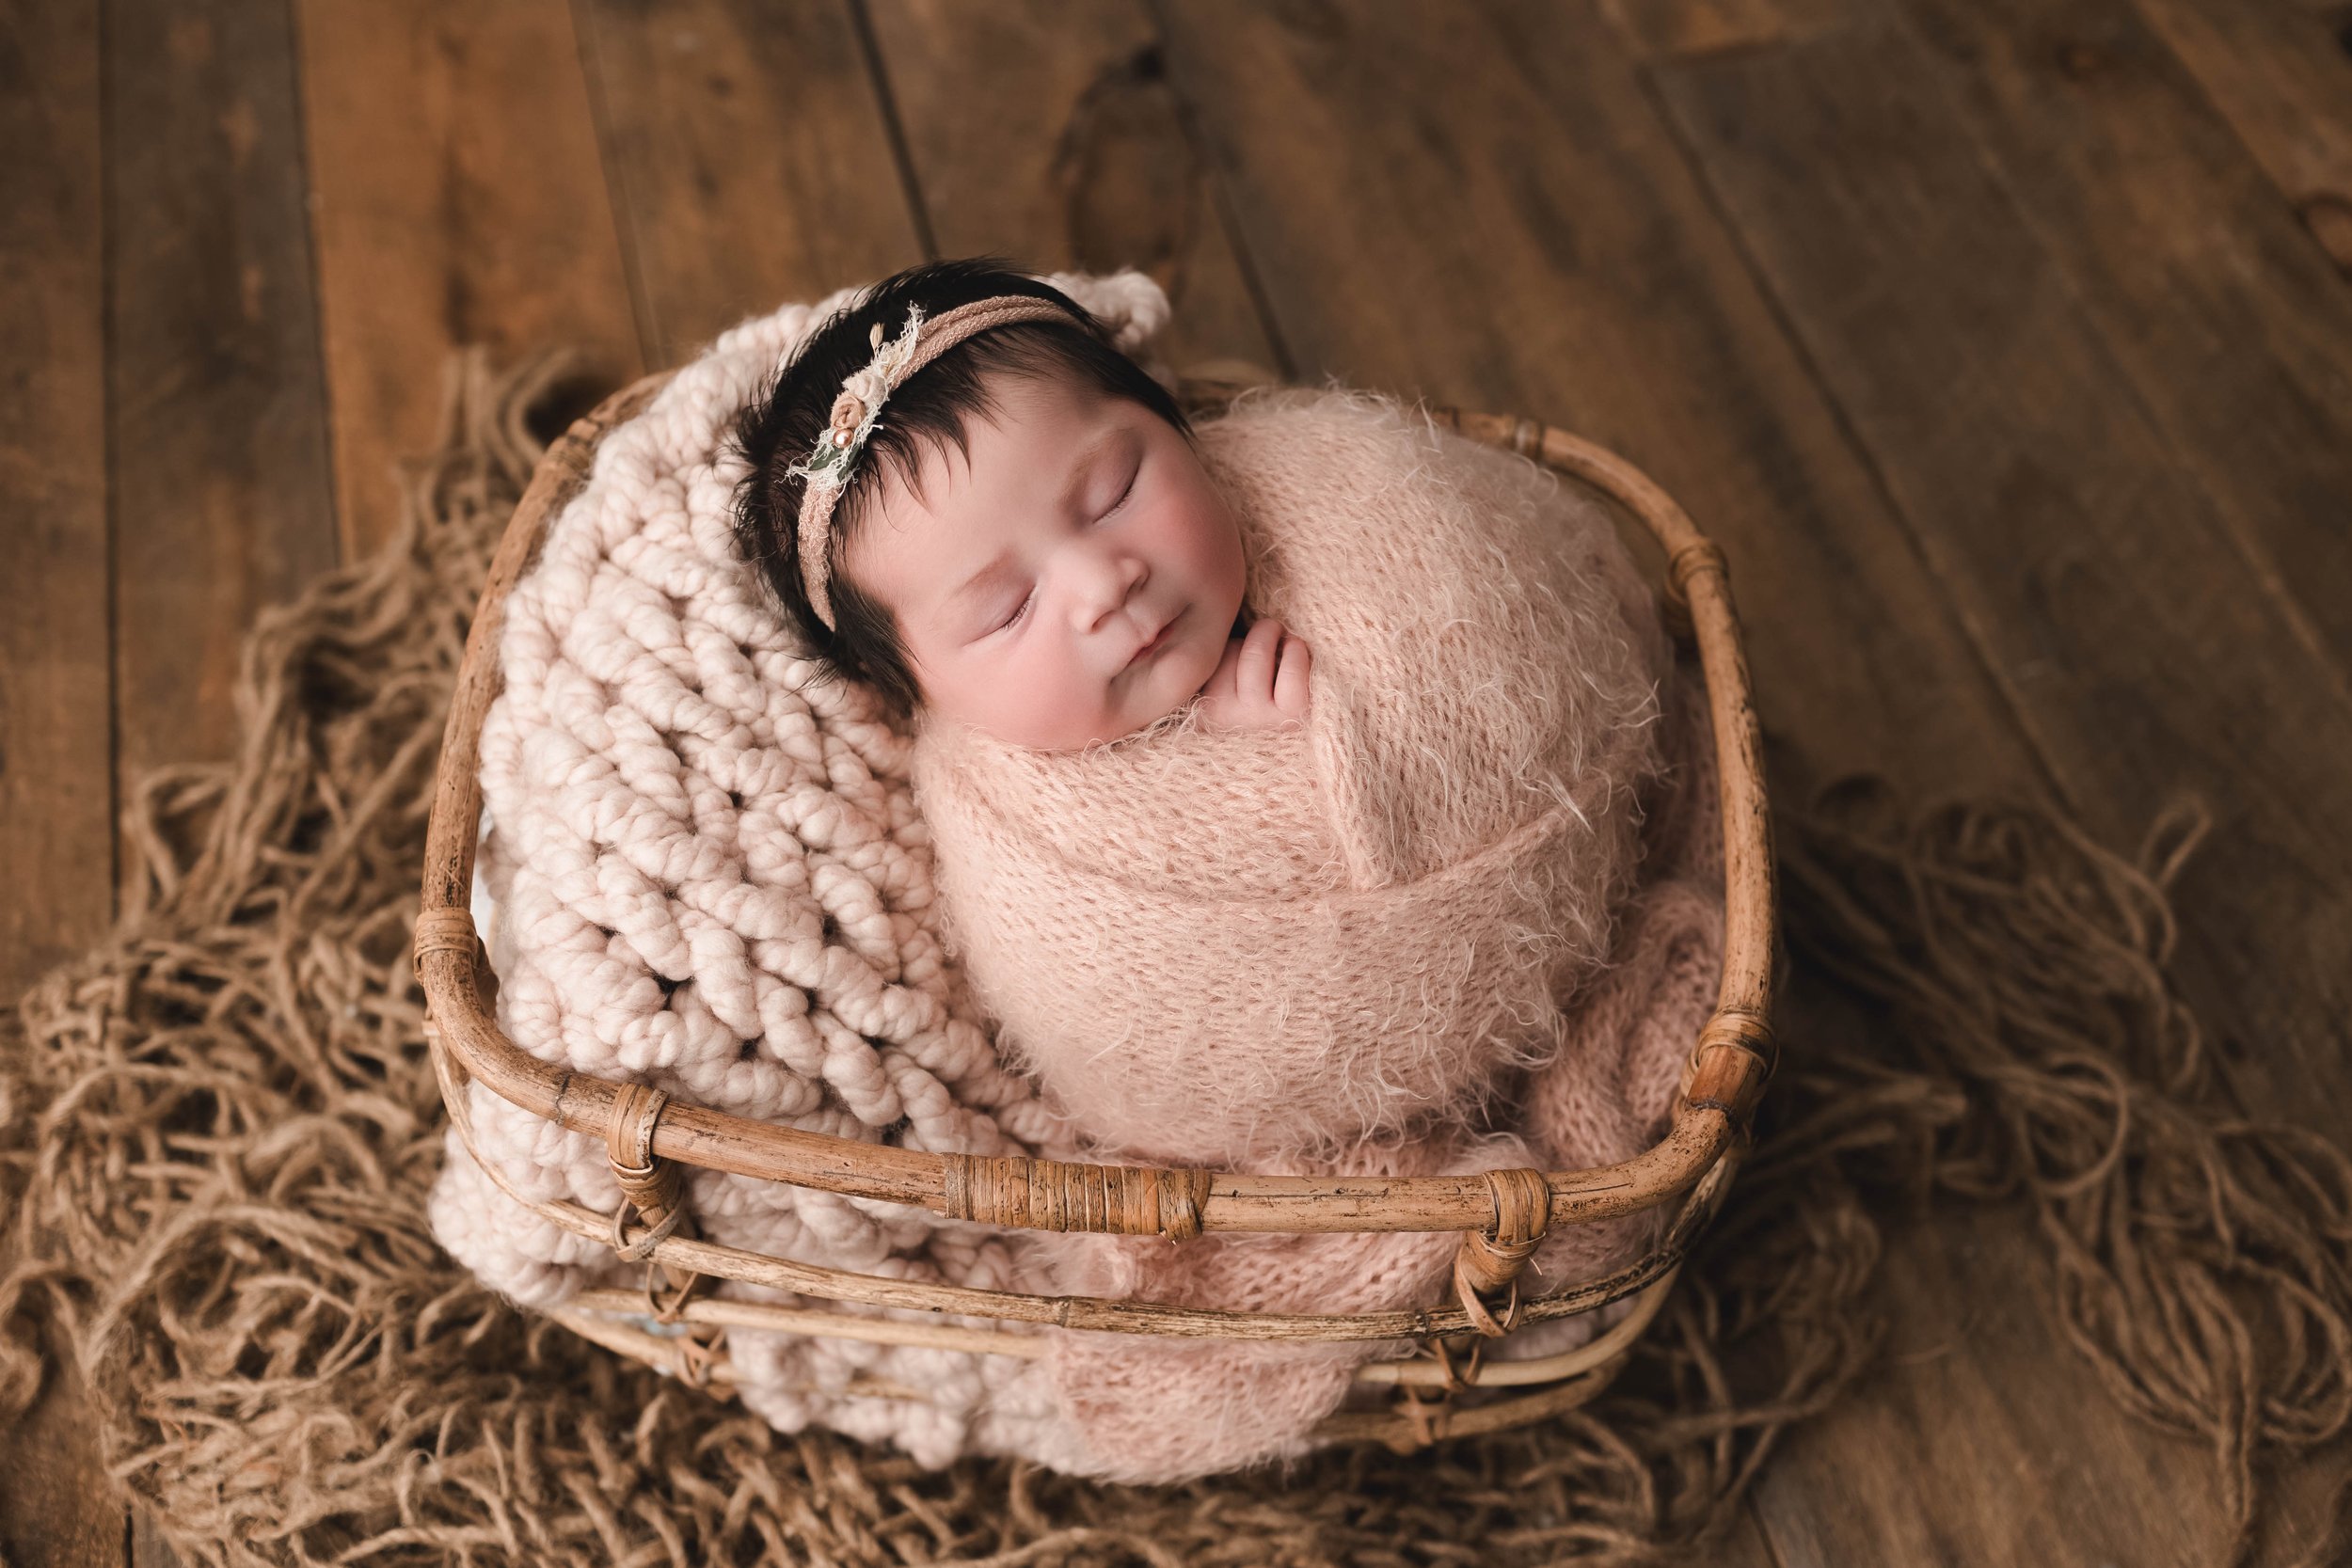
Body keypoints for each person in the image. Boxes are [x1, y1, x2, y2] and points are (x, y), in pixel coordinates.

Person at [732, 256, 1311, 751]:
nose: (1103, 586)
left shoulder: (1313, 513)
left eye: (1116, 494)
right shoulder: (1003, 819)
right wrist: (1263, 768)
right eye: (1007, 610)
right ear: (921, 696)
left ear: (1171, 421)